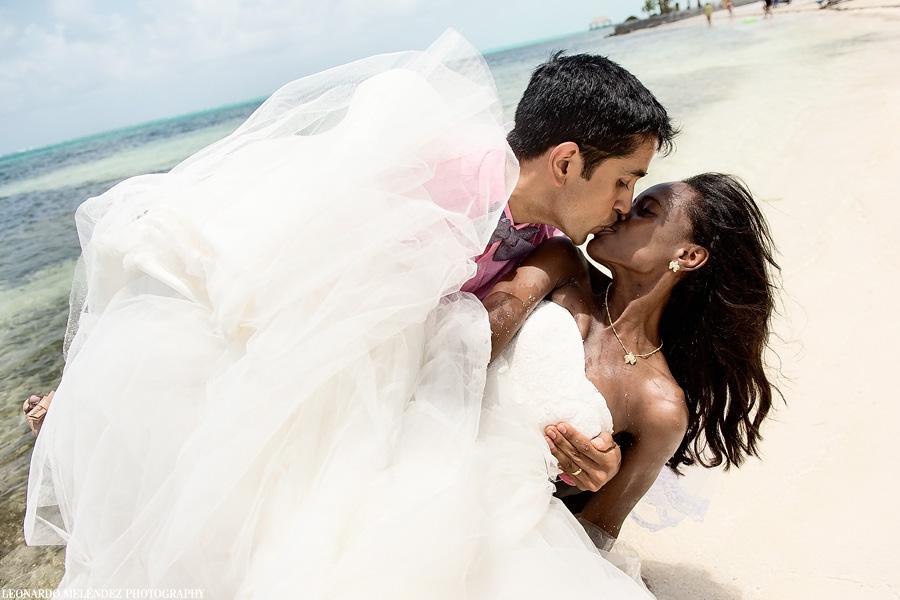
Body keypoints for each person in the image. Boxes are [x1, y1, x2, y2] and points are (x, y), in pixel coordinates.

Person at [22, 31, 672, 596]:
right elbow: (283, 287)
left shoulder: (549, 241)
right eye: (624, 180)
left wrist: (594, 447)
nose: (625, 203)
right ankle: (90, 408)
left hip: (377, 363)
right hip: (293, 327)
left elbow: (580, 320)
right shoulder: (438, 175)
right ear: (564, 162)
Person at [484, 173, 781, 545]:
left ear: (688, 256)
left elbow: (595, 534)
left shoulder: (660, 407)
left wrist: (589, 482)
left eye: (646, 211)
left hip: (500, 521)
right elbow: (475, 341)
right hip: (429, 438)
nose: (621, 211)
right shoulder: (562, 265)